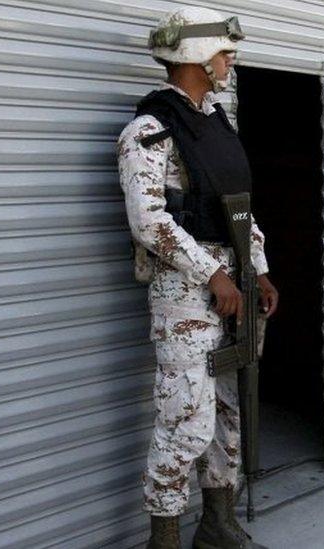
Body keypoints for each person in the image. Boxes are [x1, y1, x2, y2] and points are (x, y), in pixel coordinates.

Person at [116, 7, 277, 548]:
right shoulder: (150, 129)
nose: (230, 60)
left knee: (231, 406)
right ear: (195, 56)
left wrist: (258, 270)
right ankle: (163, 538)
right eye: (224, 52)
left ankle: (218, 522)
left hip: (234, 285)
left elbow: (239, 209)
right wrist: (213, 274)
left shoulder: (217, 123)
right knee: (186, 418)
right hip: (186, 291)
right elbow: (148, 220)